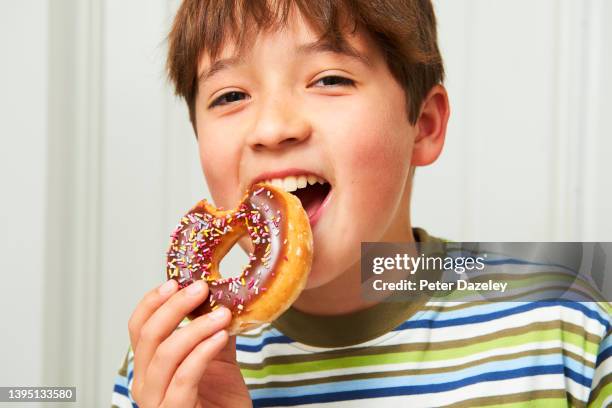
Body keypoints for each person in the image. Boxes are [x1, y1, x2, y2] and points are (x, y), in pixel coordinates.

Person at [112, 1, 611, 406]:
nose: (272, 128)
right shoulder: (169, 370)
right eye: (229, 95)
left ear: (424, 125)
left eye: (329, 79)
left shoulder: (565, 320)